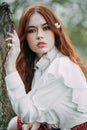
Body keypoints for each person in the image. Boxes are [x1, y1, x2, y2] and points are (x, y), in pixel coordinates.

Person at [4, 3, 87, 130]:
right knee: (16, 124)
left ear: (55, 31)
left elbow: (27, 114)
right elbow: (44, 106)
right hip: (59, 126)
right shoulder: (41, 64)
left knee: (15, 124)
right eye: (32, 30)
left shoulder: (61, 67)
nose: (39, 35)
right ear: (25, 38)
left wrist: (10, 68)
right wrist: (39, 119)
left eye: (46, 28)